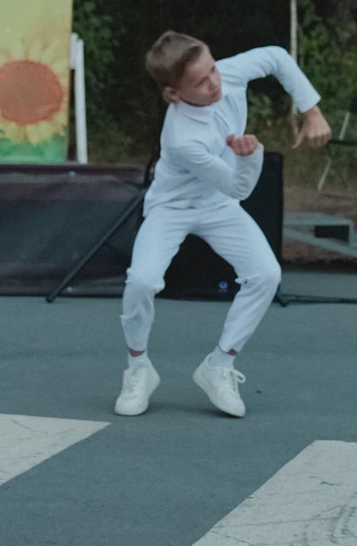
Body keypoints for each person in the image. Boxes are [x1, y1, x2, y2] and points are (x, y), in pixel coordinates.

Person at [121, 33, 330, 413]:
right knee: (142, 281)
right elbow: (238, 187)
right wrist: (251, 158)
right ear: (172, 93)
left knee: (266, 274)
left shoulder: (226, 75)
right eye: (200, 82)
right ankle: (138, 368)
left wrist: (311, 110)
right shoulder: (183, 137)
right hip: (174, 207)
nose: (214, 82)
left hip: (217, 204)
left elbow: (277, 57)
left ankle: (220, 365)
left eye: (213, 68)